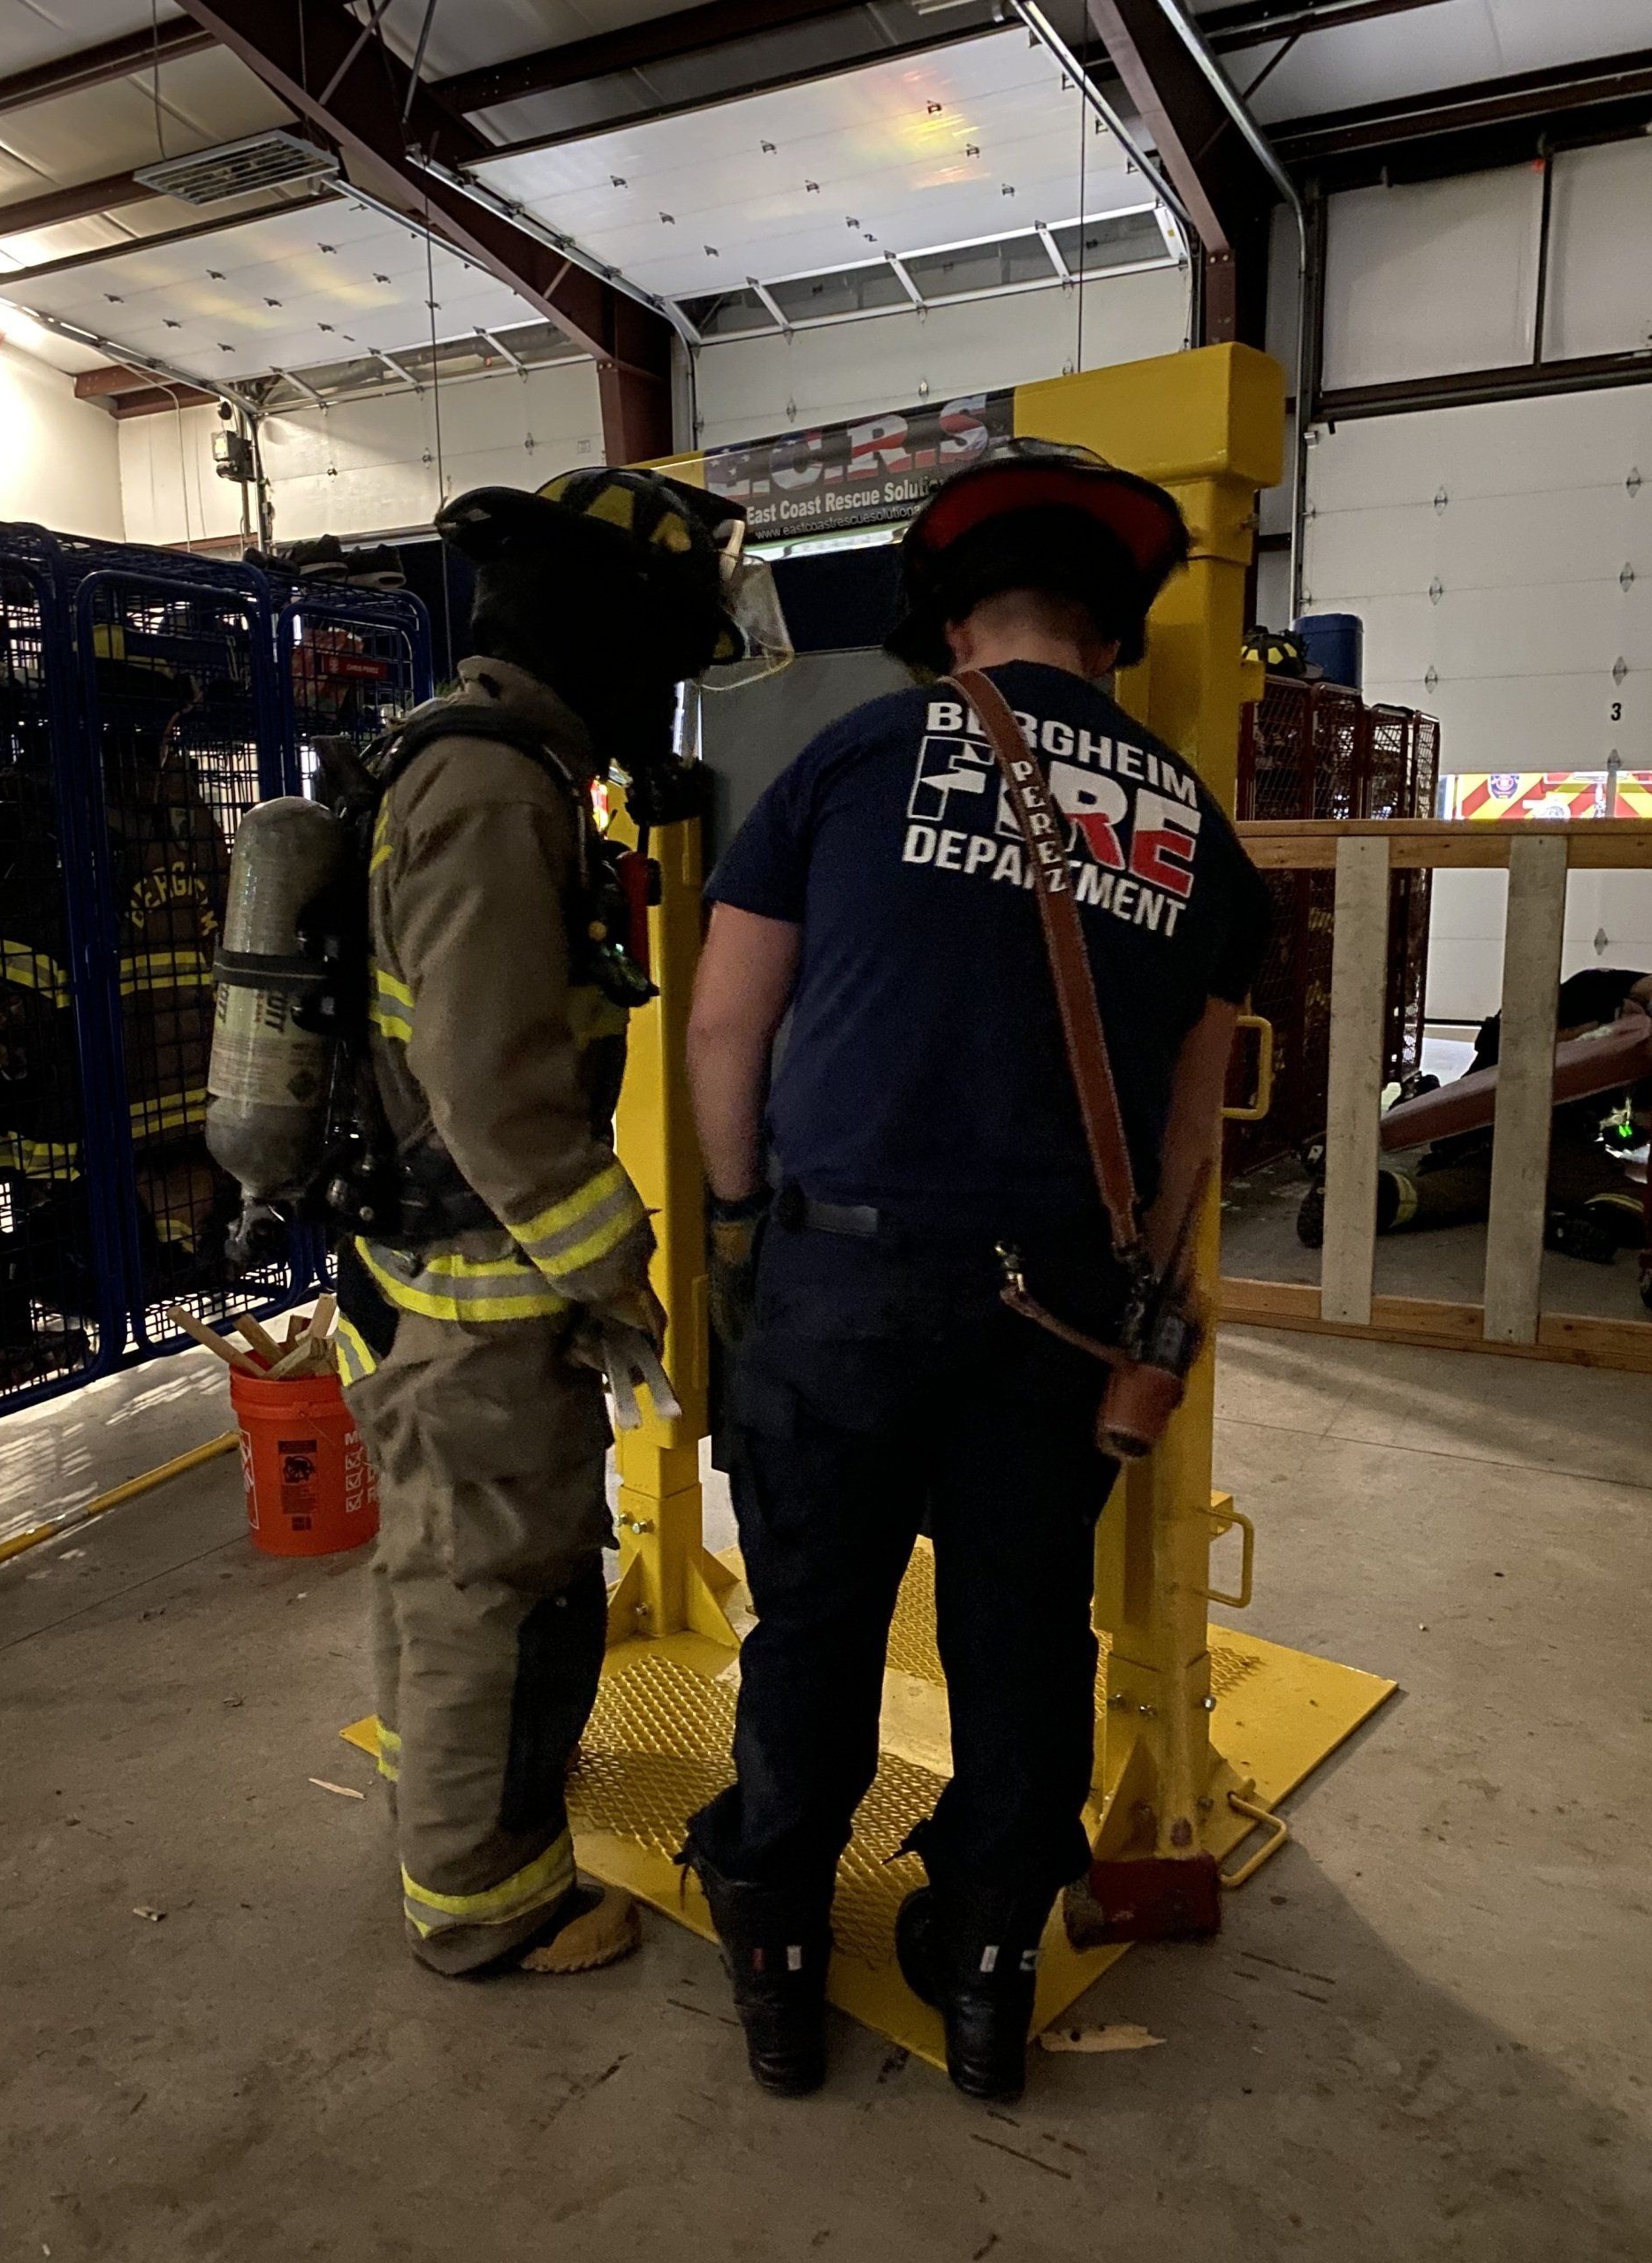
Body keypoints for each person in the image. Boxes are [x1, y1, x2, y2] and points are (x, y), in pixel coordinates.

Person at [681, 441, 1270, 2101]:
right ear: (1116, 630)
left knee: (813, 1624)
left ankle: (783, 1959)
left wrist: (737, 1233)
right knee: (1023, 1633)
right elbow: (1185, 1134)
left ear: (947, 625)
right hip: (1062, 1310)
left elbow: (729, 1026)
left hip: (843, 1288)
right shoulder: (1202, 839)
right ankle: (994, 1971)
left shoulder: (855, 762)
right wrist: (1137, 1300)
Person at [333, 469, 752, 1978]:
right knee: (489, 1586)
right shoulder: (495, 788)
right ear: (611, 629)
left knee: (452, 1571)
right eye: (671, 648)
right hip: (477, 1288)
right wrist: (620, 1278)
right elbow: (498, 1085)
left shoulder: (486, 762)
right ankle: (484, 1896)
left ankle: (454, 1793)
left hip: (434, 1268)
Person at [1297, 967, 1652, 1260]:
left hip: (1472, 1142)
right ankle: (1577, 1221)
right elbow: (1636, 1126)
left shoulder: (1610, 1015)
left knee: (1446, 1196)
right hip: (1541, 1141)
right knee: (1628, 1199)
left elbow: (1635, 1128)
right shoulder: (1597, 996)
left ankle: (1353, 1198)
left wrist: (1622, 1134)